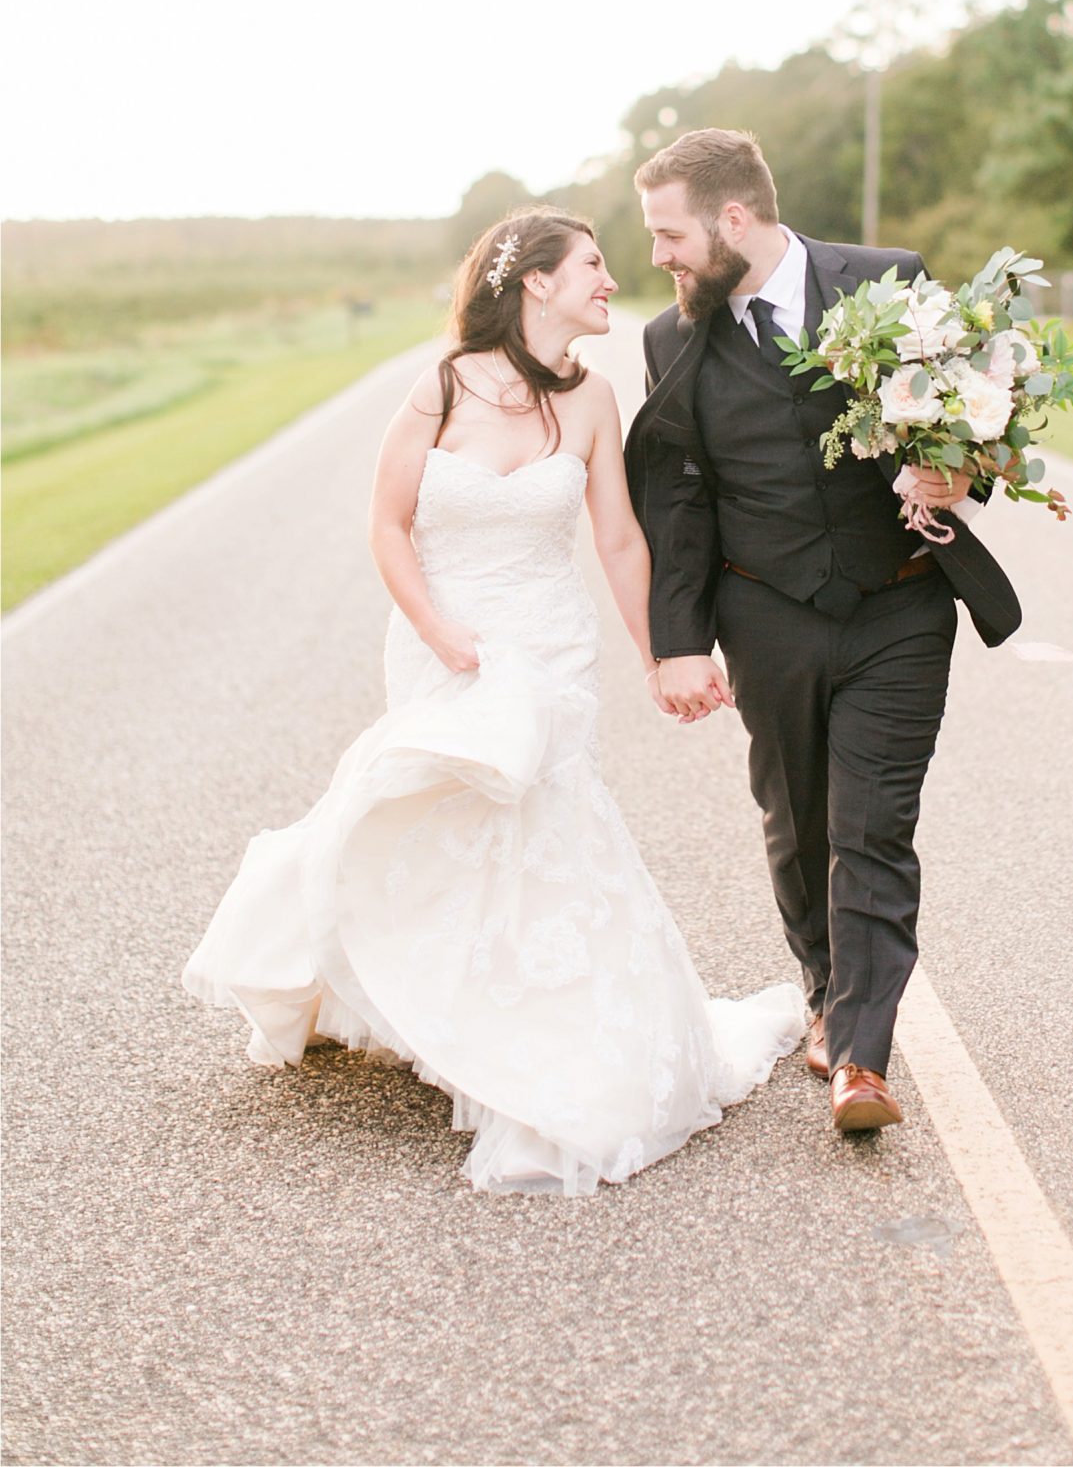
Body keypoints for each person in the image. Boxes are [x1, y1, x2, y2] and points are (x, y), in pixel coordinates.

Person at [182, 206, 804, 1195]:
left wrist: (661, 656)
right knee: (429, 807)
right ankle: (389, 983)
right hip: (446, 639)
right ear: (536, 283)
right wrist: (435, 627)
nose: (610, 281)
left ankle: (535, 1035)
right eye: (593, 267)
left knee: (543, 822)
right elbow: (387, 525)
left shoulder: (597, 398)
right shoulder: (438, 386)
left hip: (550, 645)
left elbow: (619, 542)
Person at [625, 130, 1022, 1133]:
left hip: (897, 603)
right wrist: (678, 639)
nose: (661, 256)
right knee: (798, 817)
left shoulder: (891, 284)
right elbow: (678, 504)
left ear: (733, 218)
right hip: (765, 611)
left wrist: (955, 473)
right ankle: (820, 985)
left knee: (873, 825)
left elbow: (969, 420)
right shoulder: (673, 340)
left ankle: (860, 1053)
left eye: (671, 233)